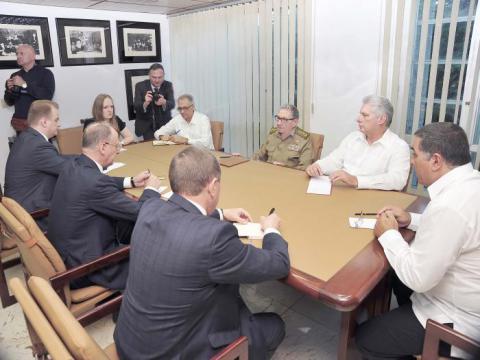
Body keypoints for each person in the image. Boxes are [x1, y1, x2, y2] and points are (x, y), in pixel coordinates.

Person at [114, 146, 290, 360]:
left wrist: (222, 213)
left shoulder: (149, 207)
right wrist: (271, 228)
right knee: (274, 326)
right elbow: (278, 264)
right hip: (172, 353)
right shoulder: (214, 238)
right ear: (213, 186)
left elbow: (180, 213)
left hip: (129, 343)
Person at [356, 122, 480, 359]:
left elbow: (419, 278)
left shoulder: (450, 206)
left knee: (366, 339)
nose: (412, 161)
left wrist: (389, 234)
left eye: (415, 153)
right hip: (467, 296)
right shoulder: (469, 184)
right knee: (394, 275)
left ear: (435, 160)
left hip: (457, 319)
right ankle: (401, 318)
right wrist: (410, 219)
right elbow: (456, 231)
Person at [47, 123, 162, 290]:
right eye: (116, 145)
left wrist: (130, 181)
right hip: (86, 268)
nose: (117, 150)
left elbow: (99, 181)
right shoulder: (94, 182)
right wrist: (151, 188)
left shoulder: (73, 164)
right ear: (103, 146)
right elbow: (140, 212)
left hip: (70, 251)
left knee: (130, 225)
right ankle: (129, 307)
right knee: (159, 255)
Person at [305, 95, 410, 191]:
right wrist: (317, 166)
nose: (358, 119)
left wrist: (356, 180)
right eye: (360, 114)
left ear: (381, 119)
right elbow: (334, 161)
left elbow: (397, 180)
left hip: (371, 200)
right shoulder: (353, 137)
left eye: (365, 115)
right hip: (342, 192)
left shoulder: (399, 147)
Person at [4, 100, 67, 230]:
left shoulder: (27, 138)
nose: (59, 124)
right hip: (36, 217)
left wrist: (86, 156)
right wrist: (93, 160)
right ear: (44, 122)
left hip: (22, 212)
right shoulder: (38, 145)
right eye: (56, 120)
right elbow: (69, 169)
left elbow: (58, 161)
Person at [3, 44, 55, 134]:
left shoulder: (46, 73)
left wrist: (24, 84)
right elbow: (9, 102)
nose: (18, 56)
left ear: (33, 56)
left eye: (22, 53)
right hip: (20, 124)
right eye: (17, 54)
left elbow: (47, 96)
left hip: (40, 123)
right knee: (23, 148)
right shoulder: (15, 75)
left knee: (41, 148)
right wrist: (9, 90)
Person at [253, 104, 313, 170]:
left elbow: (305, 168)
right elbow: (258, 156)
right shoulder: (272, 135)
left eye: (284, 119)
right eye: (278, 118)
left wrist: (285, 168)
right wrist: (243, 160)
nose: (278, 123)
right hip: (268, 173)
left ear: (294, 122)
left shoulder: (304, 140)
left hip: (288, 178)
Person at [134, 63, 174, 140]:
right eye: (154, 77)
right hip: (147, 126)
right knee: (150, 149)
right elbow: (136, 106)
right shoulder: (140, 86)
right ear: (149, 75)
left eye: (160, 77)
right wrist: (146, 103)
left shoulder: (168, 85)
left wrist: (164, 102)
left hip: (164, 125)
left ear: (164, 75)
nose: (157, 80)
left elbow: (172, 104)